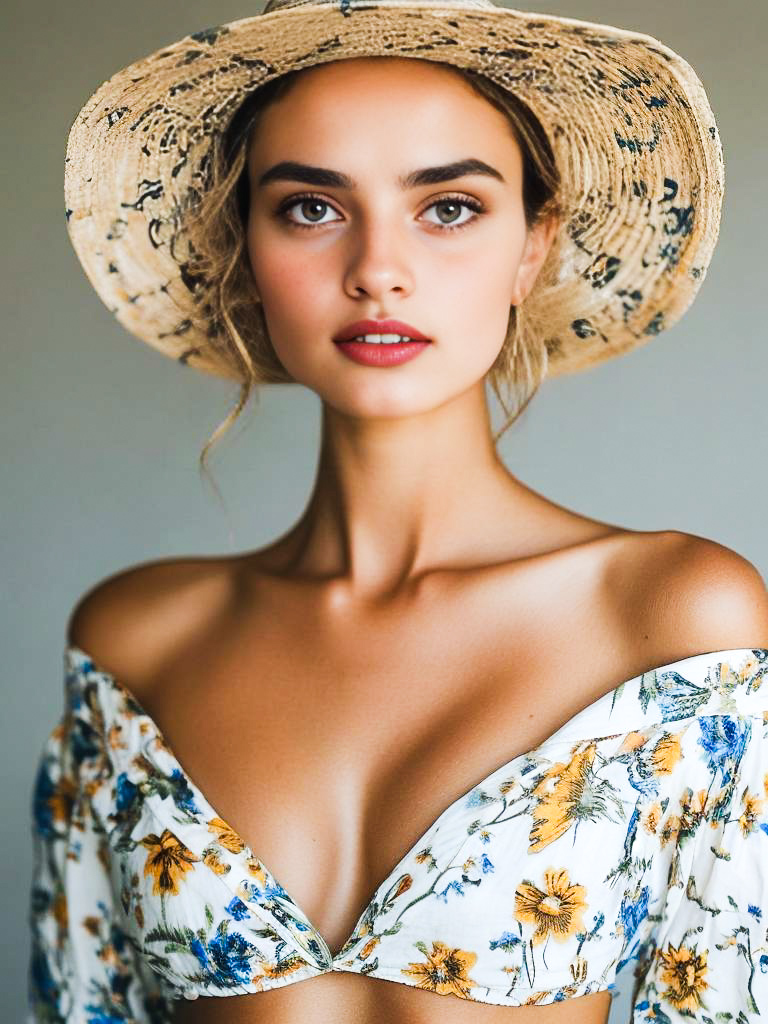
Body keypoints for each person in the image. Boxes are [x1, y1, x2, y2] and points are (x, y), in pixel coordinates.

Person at [28, 0, 768, 1022]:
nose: (377, 268)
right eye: (311, 208)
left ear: (531, 249)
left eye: (450, 206)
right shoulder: (137, 643)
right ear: (247, 249)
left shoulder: (671, 620)